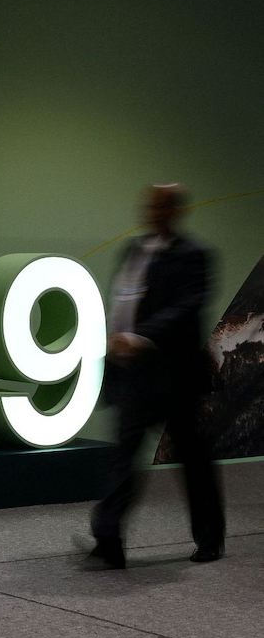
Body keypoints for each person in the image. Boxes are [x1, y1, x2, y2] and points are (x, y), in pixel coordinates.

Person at [89, 183, 225, 568]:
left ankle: (210, 539)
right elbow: (123, 301)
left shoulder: (194, 255)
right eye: (149, 204)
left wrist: (141, 337)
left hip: (175, 377)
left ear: (177, 211)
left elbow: (187, 306)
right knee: (122, 456)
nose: (152, 211)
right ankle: (109, 541)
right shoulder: (133, 250)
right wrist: (115, 342)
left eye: (161, 205)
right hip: (134, 375)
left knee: (193, 461)